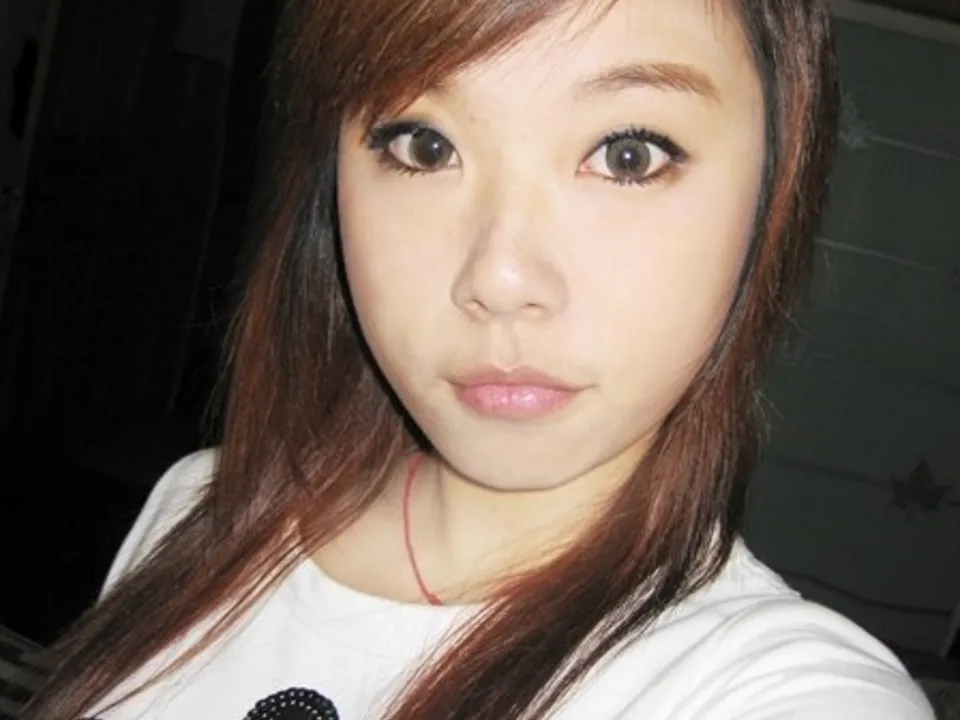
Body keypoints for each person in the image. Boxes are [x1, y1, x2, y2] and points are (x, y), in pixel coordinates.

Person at [24, 0, 935, 718]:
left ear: (773, 192)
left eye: (627, 155)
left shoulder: (776, 693)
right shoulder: (199, 506)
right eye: (424, 146)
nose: (499, 279)